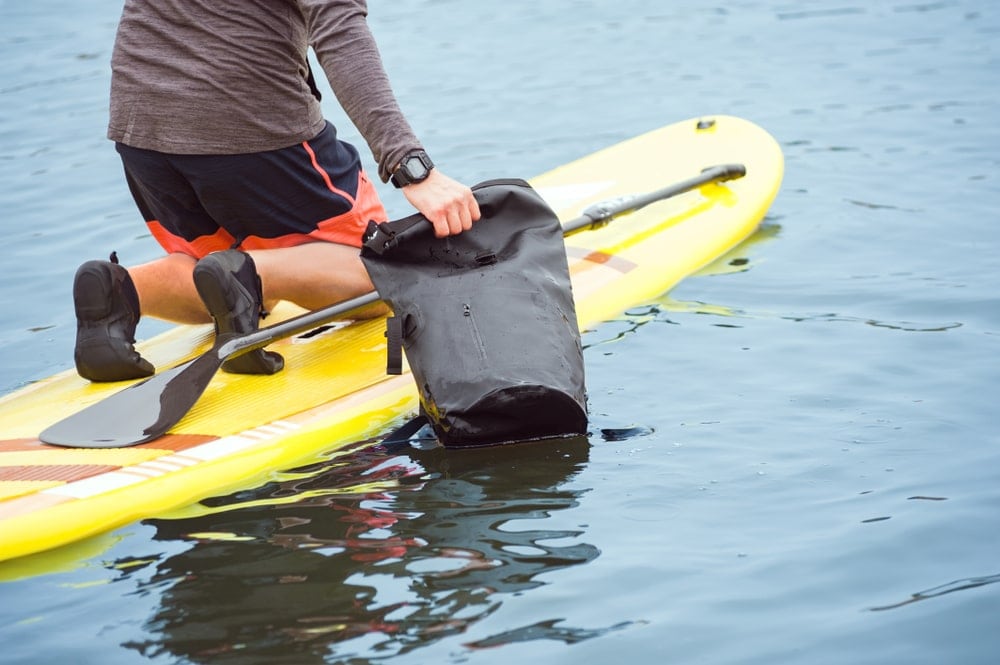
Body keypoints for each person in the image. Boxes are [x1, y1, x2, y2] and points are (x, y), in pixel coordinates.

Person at [73, 0, 481, 382]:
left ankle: (120, 291)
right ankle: (250, 276)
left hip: (141, 127)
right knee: (382, 279)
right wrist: (413, 168)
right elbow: (339, 28)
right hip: (246, 123)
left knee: (217, 268)